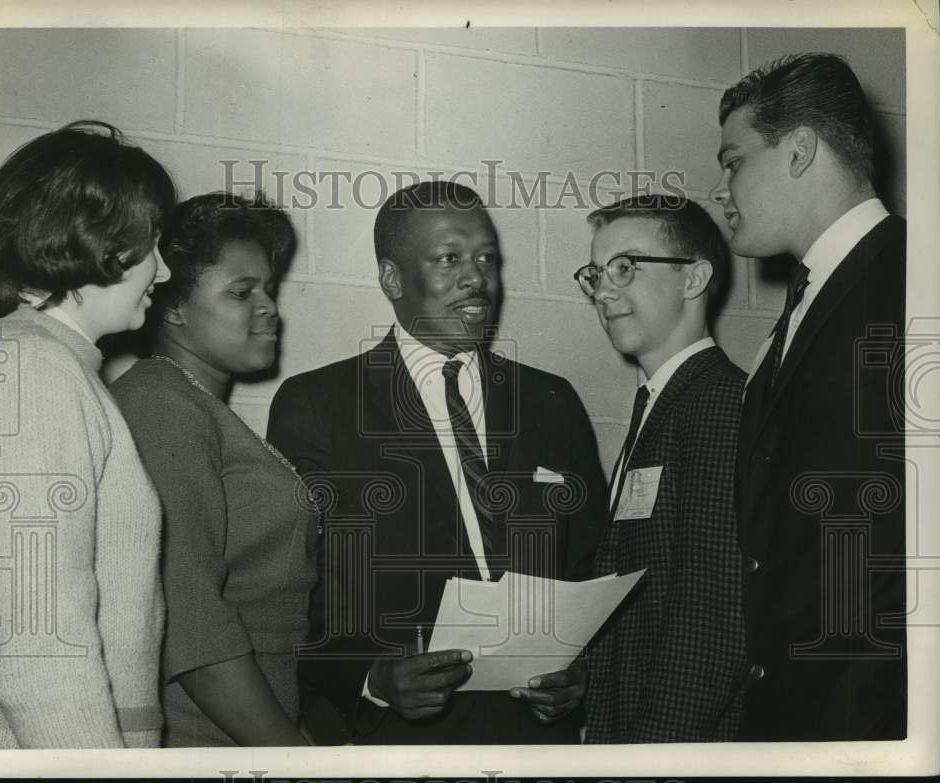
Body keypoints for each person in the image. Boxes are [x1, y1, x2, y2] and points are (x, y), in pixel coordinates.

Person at [267, 180, 608, 744]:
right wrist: (371, 678)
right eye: (449, 258)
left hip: (535, 739)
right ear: (392, 279)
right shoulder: (318, 404)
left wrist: (583, 672)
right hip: (397, 741)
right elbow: (293, 590)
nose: (476, 279)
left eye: (486, 259)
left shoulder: (551, 400)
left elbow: (589, 563)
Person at [709, 52, 906, 741]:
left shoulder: (914, 282)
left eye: (733, 162)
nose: (721, 188)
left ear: (798, 150)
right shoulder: (800, 311)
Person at [0, 121, 175, 748]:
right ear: (91, 241)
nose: (163, 272)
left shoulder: (45, 363)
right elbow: (43, 646)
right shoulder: (33, 370)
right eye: (151, 245)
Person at [110, 192, 317, 747]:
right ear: (171, 306)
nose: (269, 307)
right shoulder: (161, 404)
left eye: (269, 289)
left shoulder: (193, 405)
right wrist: (295, 757)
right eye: (242, 292)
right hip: (203, 742)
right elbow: (190, 619)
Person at [578, 194, 747, 743]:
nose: (603, 291)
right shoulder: (661, 404)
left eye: (625, 267)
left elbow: (711, 626)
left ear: (693, 278)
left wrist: (645, 760)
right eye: (595, 274)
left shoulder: (719, 403)